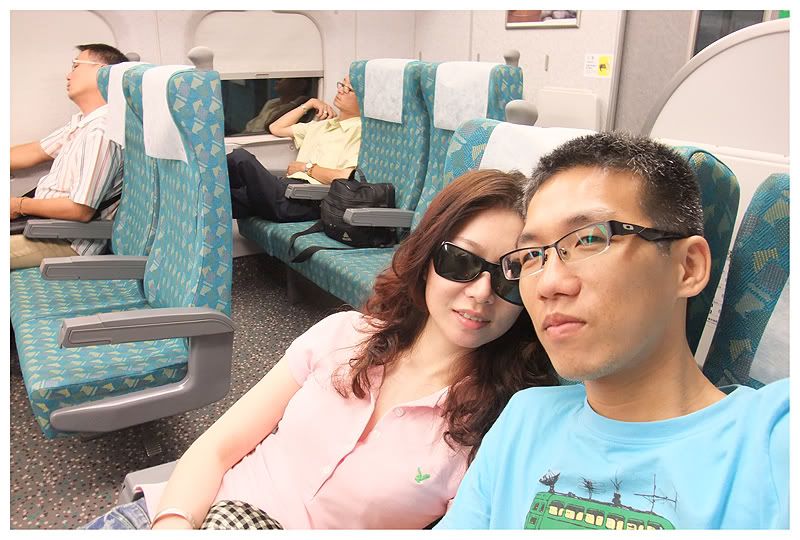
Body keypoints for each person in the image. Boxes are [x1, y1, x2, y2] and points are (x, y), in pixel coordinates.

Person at [81, 169, 558, 530]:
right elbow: (218, 448)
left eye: (510, 274)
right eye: (461, 261)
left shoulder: (501, 425)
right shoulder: (343, 334)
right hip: (187, 513)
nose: (481, 292)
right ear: (429, 255)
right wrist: (173, 525)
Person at [437, 132, 789, 530]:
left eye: (589, 238)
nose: (548, 284)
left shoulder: (770, 439)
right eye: (533, 255)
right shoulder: (524, 420)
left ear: (687, 267)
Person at [9, 43, 128, 270]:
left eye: (75, 66)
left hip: (67, 238)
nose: (68, 75)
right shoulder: (82, 124)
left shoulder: (102, 131)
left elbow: (80, 210)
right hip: (43, 227)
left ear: (102, 72)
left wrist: (19, 205)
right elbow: (36, 151)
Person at [226, 75, 362, 222]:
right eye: (341, 85)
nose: (341, 90)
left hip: (308, 199)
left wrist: (306, 168)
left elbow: (346, 177)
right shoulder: (322, 125)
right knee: (220, 199)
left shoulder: (359, 132)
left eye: (349, 89)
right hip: (287, 189)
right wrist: (309, 103)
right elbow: (276, 127)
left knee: (240, 158)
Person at [242, 77, 311, 134]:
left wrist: (295, 103)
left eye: (282, 78)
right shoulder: (271, 103)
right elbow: (251, 127)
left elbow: (270, 128)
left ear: (301, 84)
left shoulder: (297, 110)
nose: (276, 80)